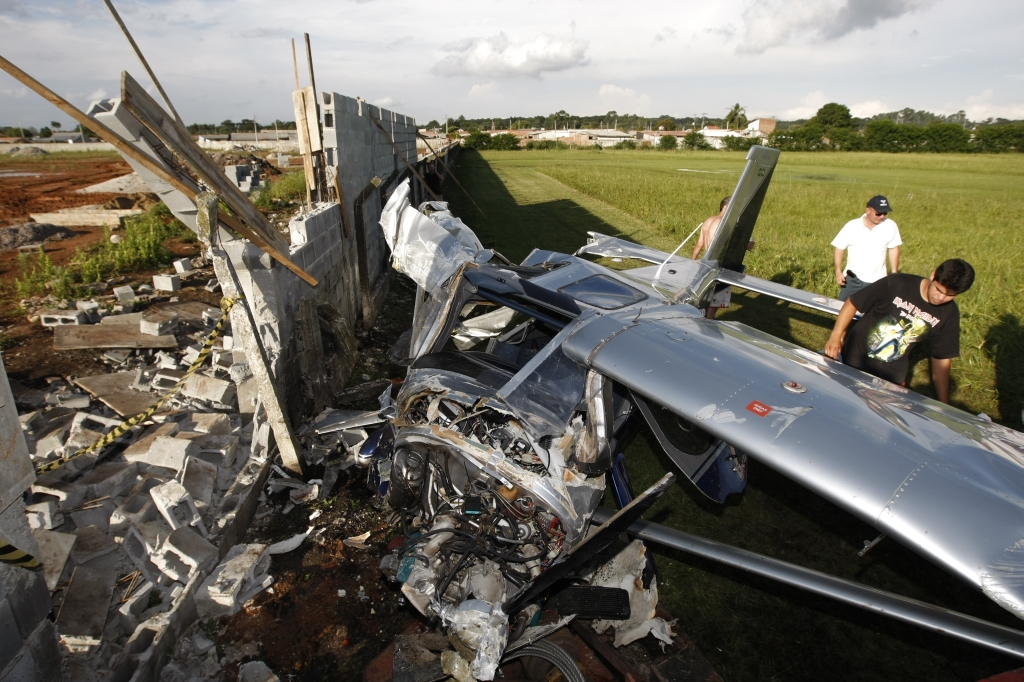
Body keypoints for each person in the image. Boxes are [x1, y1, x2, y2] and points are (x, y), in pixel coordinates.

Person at [823, 259, 975, 404]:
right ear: (933, 275)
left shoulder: (949, 313)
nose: (940, 298)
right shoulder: (898, 283)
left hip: (890, 377)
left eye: (950, 295)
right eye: (938, 289)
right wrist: (835, 336)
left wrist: (944, 404)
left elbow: (941, 358)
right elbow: (853, 303)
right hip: (854, 361)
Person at [832, 195, 901, 301]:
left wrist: (894, 273)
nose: (882, 216)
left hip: (878, 281)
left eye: (885, 213)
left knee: (872, 310)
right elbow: (839, 248)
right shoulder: (852, 226)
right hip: (852, 279)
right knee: (842, 308)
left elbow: (893, 249)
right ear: (868, 210)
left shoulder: (890, 226)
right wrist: (838, 271)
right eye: (878, 213)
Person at [692, 196, 737, 319]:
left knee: (701, 301)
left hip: (705, 264)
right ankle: (708, 327)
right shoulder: (725, 224)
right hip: (719, 267)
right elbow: (727, 248)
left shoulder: (709, 220)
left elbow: (699, 245)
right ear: (726, 207)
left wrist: (693, 263)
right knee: (712, 308)